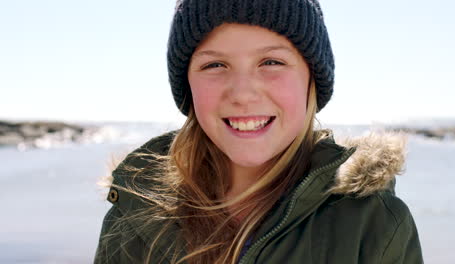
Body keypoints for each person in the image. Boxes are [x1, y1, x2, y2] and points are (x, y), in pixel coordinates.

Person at [94, 0, 423, 263]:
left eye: (271, 62)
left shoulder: (373, 224)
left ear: (312, 78)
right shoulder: (136, 215)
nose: (242, 93)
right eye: (215, 65)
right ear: (187, 86)